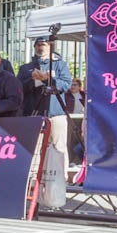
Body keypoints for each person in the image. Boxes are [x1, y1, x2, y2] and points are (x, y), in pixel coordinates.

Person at [19, 38, 75, 211]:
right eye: (37, 45)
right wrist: (34, 80)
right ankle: (33, 183)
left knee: (58, 147)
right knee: (35, 148)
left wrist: (49, 79)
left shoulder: (60, 64)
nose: (39, 48)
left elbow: (66, 84)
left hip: (55, 112)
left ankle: (60, 180)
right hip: (35, 112)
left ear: (50, 47)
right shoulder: (26, 68)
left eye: (43, 45)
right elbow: (18, 87)